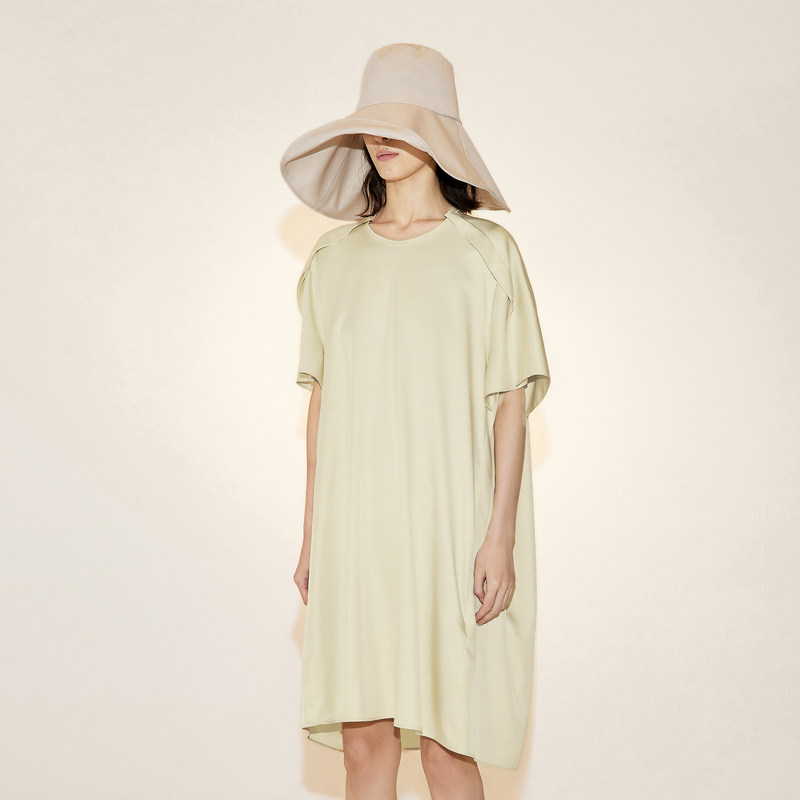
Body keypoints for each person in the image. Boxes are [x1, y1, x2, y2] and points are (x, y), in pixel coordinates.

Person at [280, 43, 551, 799]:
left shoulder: (486, 253)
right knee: (363, 743)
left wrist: (499, 534)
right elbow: (322, 406)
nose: (382, 139)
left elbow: (510, 404)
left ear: (440, 136)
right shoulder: (334, 259)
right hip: (356, 525)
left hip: (451, 522)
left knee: (446, 743)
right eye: (372, 124)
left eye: (402, 123)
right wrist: (312, 534)